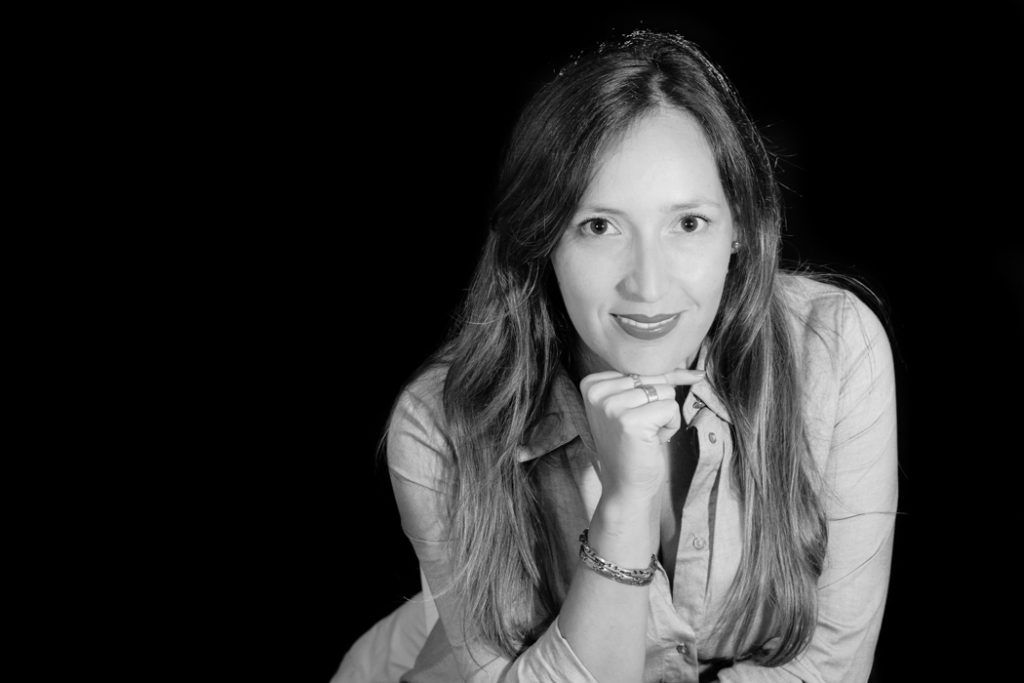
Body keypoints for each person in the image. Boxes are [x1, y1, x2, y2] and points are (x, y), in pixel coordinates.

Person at [335, 29, 898, 683]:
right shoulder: (440, 422)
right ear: (544, 237)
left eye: (688, 223)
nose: (648, 286)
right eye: (599, 226)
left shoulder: (833, 347)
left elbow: (828, 667)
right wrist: (624, 510)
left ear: (740, 225)